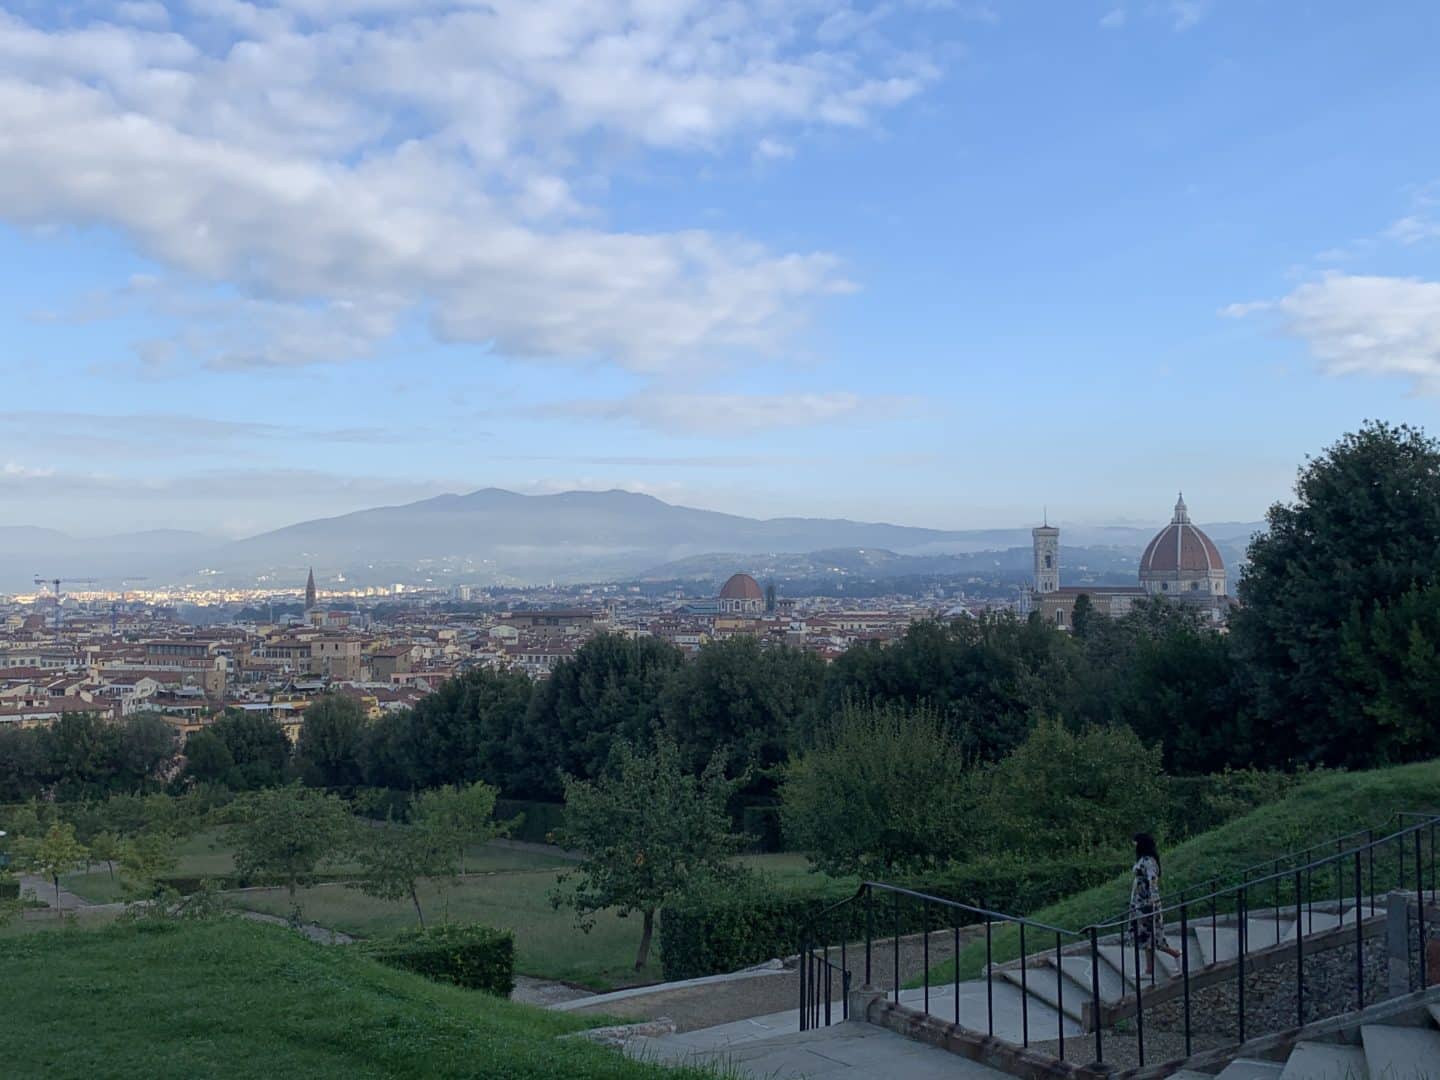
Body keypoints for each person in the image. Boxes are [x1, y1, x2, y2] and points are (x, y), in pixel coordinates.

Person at [1130, 832, 1181, 977]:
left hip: (1147, 903)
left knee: (1153, 935)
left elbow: (1153, 881)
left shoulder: (1148, 861)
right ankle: (1149, 969)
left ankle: (1175, 954)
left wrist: (1152, 901)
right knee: (1146, 936)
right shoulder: (1144, 860)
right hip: (1140, 901)